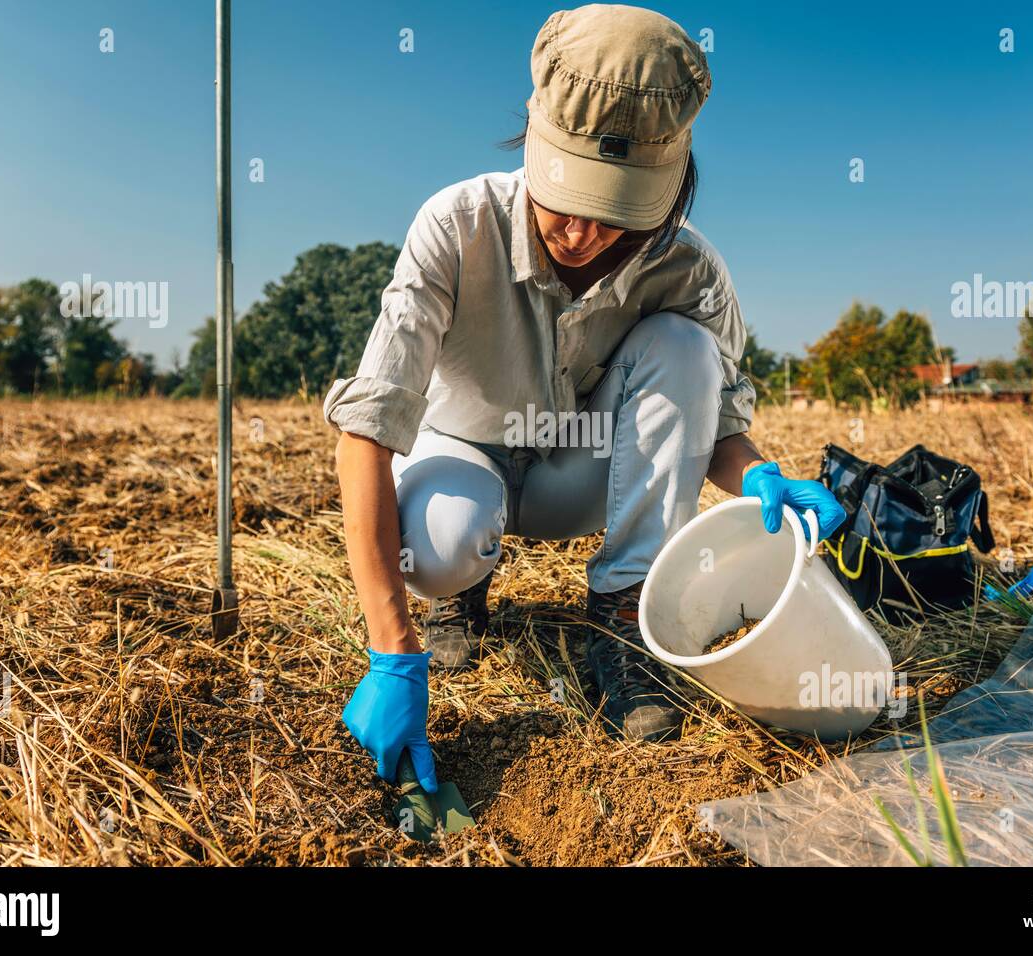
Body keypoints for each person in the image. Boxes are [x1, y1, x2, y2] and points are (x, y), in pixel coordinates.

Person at [326, 4, 845, 793]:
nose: (580, 234)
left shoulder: (690, 271)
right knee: (443, 545)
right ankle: (463, 598)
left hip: (579, 472)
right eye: (565, 199)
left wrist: (761, 478)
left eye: (614, 213)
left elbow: (715, 434)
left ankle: (623, 616)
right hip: (463, 452)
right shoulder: (454, 225)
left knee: (683, 344)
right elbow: (367, 432)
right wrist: (392, 655)